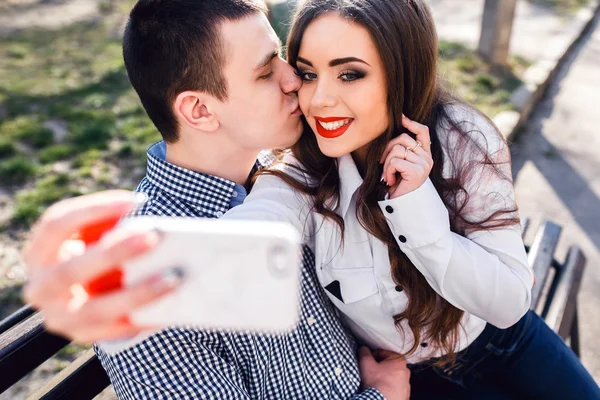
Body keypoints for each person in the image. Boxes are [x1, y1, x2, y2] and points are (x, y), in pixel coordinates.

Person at [22, 0, 410, 399]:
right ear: (200, 110)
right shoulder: (149, 272)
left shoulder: (297, 167)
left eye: (279, 57)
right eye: (264, 72)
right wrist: (382, 396)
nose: (293, 78)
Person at [213, 0, 600, 398]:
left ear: (402, 73)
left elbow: (509, 303)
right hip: (414, 382)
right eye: (308, 74)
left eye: (349, 74)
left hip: (504, 344)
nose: (318, 100)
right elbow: (264, 214)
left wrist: (416, 205)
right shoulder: (300, 168)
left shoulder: (463, 139)